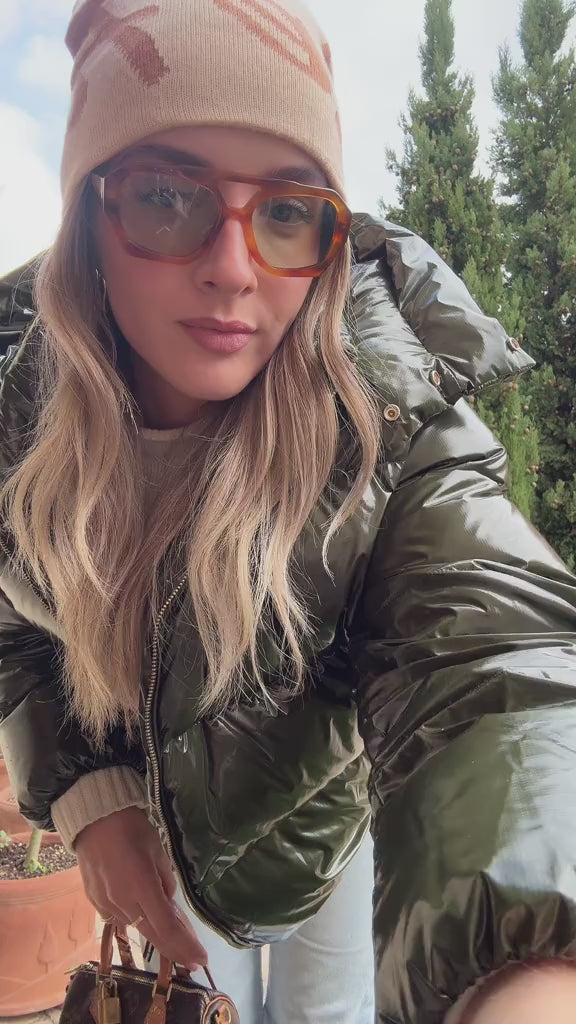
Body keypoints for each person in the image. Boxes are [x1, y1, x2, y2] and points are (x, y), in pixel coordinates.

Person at [0, 1, 576, 1022]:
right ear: (90, 212)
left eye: (285, 211)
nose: (233, 268)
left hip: (324, 822)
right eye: (168, 196)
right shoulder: (17, 419)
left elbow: (496, 672)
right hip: (154, 829)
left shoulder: (386, 423)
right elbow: (14, 618)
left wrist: (535, 973)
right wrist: (91, 797)